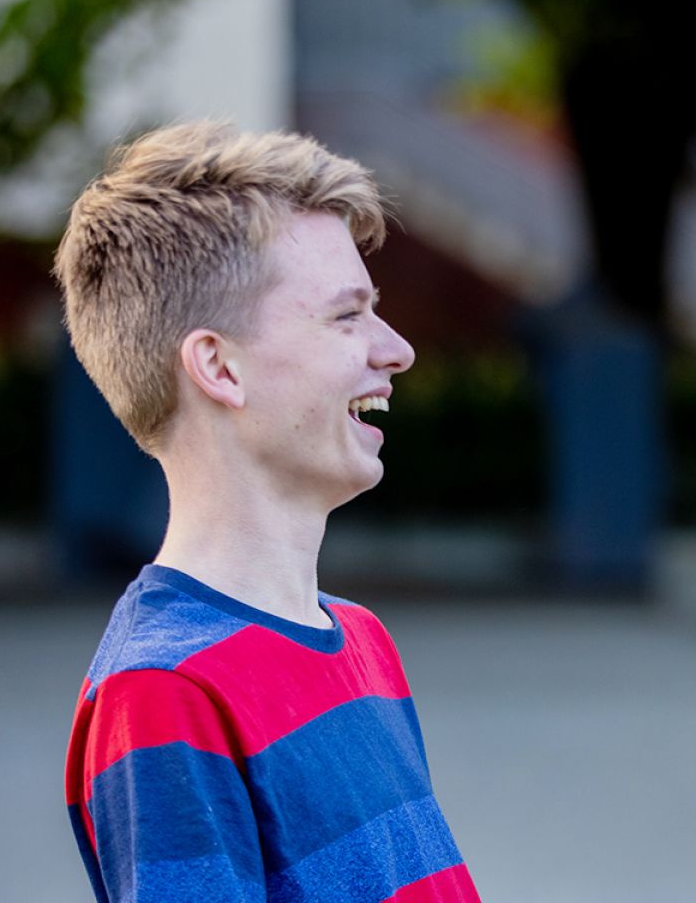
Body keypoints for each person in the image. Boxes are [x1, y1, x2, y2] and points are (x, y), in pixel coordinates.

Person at [57, 122, 481, 903]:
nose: (397, 350)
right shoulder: (162, 691)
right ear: (219, 367)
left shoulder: (360, 641)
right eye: (346, 316)